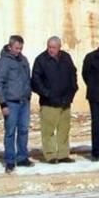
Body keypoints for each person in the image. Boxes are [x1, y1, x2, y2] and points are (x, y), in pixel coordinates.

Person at [31, 36, 78, 164]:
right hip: (49, 102)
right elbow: (36, 80)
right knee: (48, 131)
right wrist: (47, 94)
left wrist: (72, 91)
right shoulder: (41, 60)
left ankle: (63, 154)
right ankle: (50, 155)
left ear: (59, 47)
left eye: (53, 47)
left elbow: (73, 74)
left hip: (65, 101)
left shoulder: (66, 58)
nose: (50, 50)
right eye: (49, 47)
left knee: (64, 130)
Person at [0, 34, 34, 173]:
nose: (19, 51)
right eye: (16, 48)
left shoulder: (23, 60)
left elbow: (27, 79)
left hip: (24, 101)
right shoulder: (3, 62)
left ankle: (22, 157)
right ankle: (10, 160)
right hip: (11, 102)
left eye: (21, 48)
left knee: (23, 130)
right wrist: (3, 104)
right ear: (10, 46)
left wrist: (29, 95)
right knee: (10, 132)